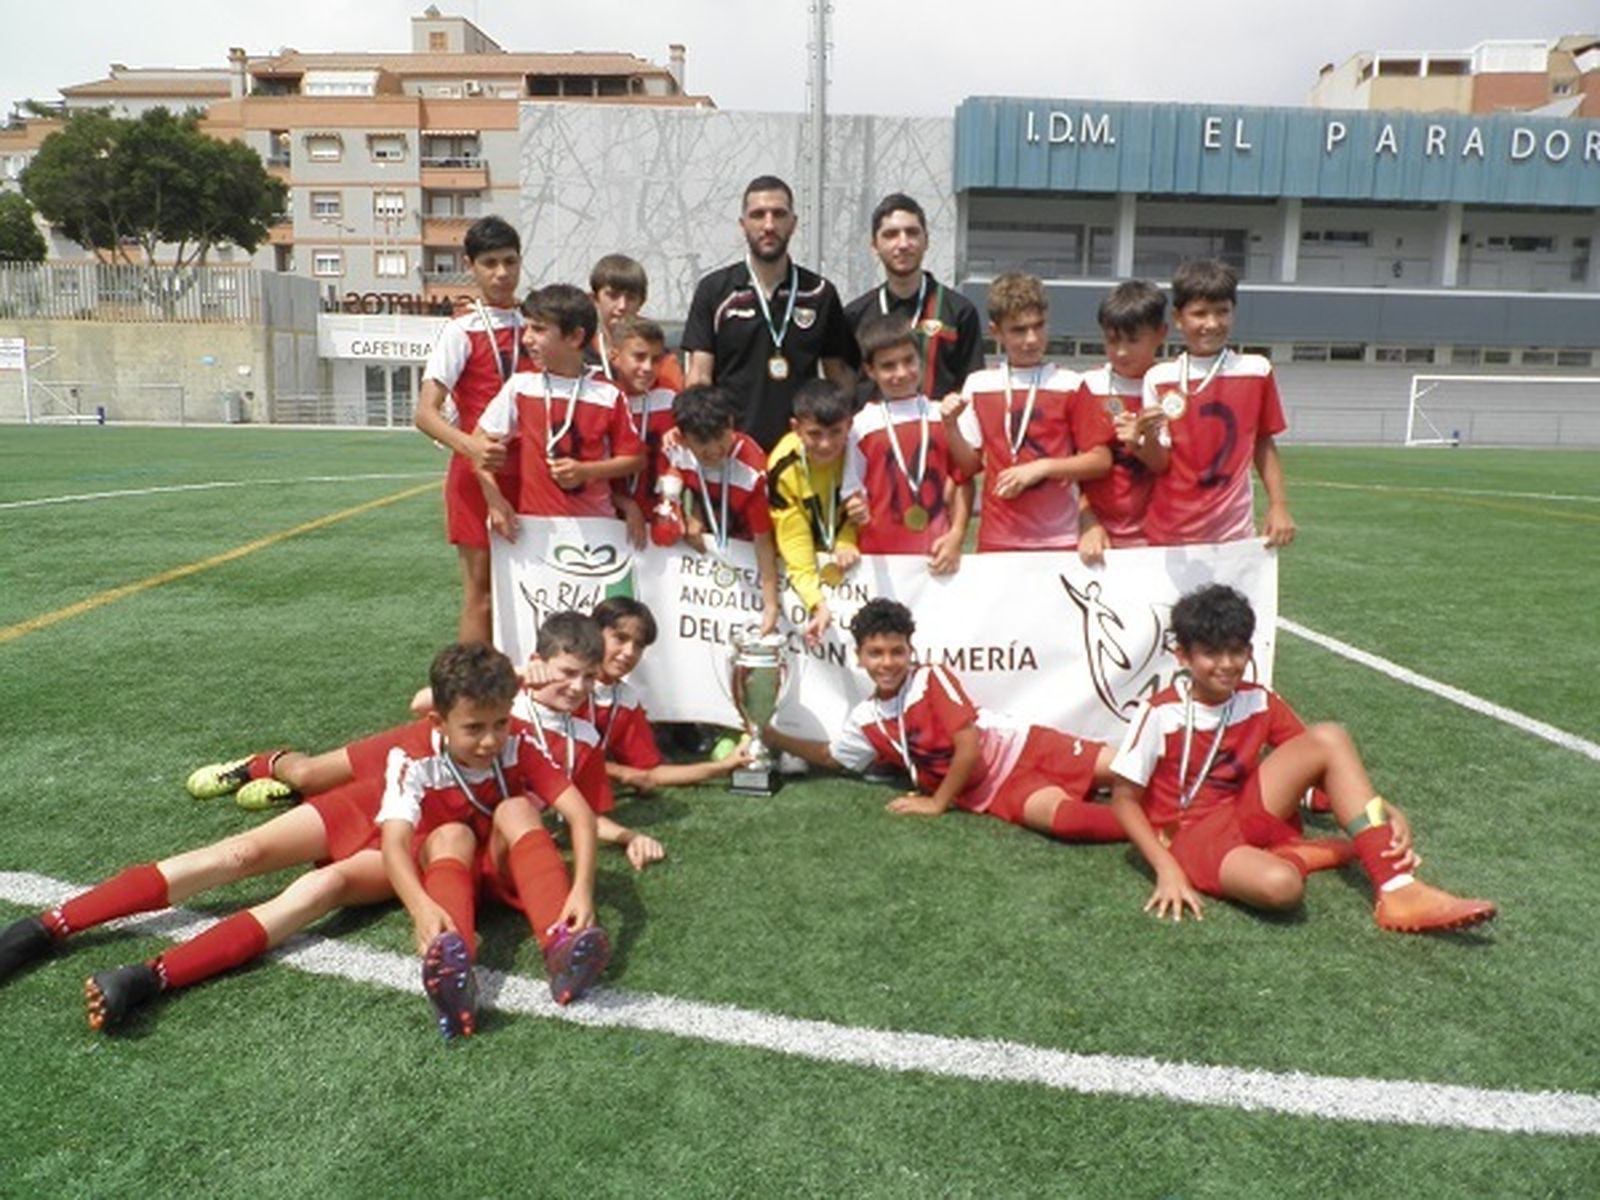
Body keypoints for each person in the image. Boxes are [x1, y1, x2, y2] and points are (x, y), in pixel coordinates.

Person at [0, 644, 535, 1030]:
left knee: (317, 891)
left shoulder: (535, 736)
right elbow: (431, 699)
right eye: (565, 673)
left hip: (418, 841)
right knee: (244, 848)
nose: (573, 683)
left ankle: (148, 978)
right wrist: (517, 673)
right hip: (376, 797)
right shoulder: (441, 725)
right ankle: (44, 928)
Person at [1109, 584, 1497, 932]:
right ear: (1182, 656)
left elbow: (1320, 762)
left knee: (1329, 737)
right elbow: (1124, 801)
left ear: (1249, 651)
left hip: (1244, 814)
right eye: (1211, 653)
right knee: (1282, 888)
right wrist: (1167, 869)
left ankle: (1398, 888)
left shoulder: (1259, 699)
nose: (1226, 664)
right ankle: (1301, 855)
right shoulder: (1159, 712)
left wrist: (1386, 810)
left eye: (1236, 651)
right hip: (1190, 836)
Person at [382, 630, 608, 1038]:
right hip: (449, 869)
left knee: (516, 808)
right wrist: (421, 908)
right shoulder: (410, 756)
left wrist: (582, 890)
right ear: (439, 723)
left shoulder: (518, 740)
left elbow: (580, 814)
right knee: (452, 834)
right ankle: (455, 970)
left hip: (505, 868)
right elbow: (394, 844)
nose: (490, 740)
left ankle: (561, 946)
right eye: (474, 728)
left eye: (500, 723)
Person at [760, 599, 1125, 842]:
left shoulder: (930, 678)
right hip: (994, 790)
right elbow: (830, 756)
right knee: (1065, 822)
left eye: (897, 652)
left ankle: (1156, 800)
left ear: (910, 651)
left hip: (1028, 747)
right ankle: (1153, 829)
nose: (887, 663)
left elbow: (968, 747)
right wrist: (773, 736)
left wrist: (937, 803)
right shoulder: (866, 719)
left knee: (1128, 769)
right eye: (875, 653)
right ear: (859, 656)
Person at [941, 272, 1114, 552]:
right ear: (996, 332)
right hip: (998, 537)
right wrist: (950, 426)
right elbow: (969, 467)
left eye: (1039, 326)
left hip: (1059, 538)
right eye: (1018, 330)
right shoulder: (979, 385)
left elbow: (1100, 460)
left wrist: (1042, 468)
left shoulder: (1070, 383)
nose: (1031, 339)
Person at [681, 175, 856, 451]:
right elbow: (699, 378)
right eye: (758, 215)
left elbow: (839, 380)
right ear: (743, 224)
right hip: (732, 451)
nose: (769, 225)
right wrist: (697, 435)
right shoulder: (714, 290)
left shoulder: (819, 293)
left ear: (793, 223)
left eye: (779, 214)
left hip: (802, 451)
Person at [414, 215, 526, 643]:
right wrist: (472, 448)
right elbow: (425, 414)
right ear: (470, 266)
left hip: (534, 476)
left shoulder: (537, 321)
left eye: (510, 261)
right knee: (482, 596)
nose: (501, 273)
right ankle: (471, 684)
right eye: (489, 263)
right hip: (477, 479)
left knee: (531, 592)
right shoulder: (461, 329)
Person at [1140, 259, 1295, 547]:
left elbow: (1263, 441)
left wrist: (1278, 505)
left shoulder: (1256, 370)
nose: (1211, 324)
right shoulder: (1159, 378)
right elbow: (1159, 463)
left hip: (1232, 531)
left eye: (1222, 311)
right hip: (1170, 530)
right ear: (1178, 318)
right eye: (1199, 313)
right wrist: (1146, 436)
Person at [475, 283, 646, 540]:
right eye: (527, 328)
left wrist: (586, 471)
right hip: (536, 529)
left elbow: (635, 459)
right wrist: (494, 500)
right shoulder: (521, 386)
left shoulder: (607, 393)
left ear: (575, 337)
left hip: (597, 528)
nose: (526, 338)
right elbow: (478, 446)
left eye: (538, 329)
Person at [841, 315, 970, 574]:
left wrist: (956, 534)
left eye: (908, 361)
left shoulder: (943, 416)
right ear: (870, 370)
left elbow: (963, 480)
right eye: (888, 366)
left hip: (938, 553)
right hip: (879, 559)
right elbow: (851, 489)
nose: (901, 373)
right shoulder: (861, 426)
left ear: (920, 359)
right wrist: (854, 507)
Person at [585, 597, 754, 792]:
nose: (629, 652)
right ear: (594, 634)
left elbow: (651, 772)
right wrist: (620, 772)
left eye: (639, 645)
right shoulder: (566, 686)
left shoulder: (624, 700)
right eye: (620, 638)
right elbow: (561, 758)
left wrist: (723, 766)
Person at [653, 384, 781, 635]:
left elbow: (763, 541)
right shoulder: (674, 450)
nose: (713, 449)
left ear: (731, 424)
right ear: (683, 437)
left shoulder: (752, 470)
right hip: (704, 566)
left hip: (745, 557)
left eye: (720, 437)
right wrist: (690, 516)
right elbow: (670, 496)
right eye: (702, 442)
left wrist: (771, 605)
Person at [843, 193, 984, 402]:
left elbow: (972, 387)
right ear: (874, 245)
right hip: (873, 423)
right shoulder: (854, 316)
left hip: (937, 423)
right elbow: (846, 388)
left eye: (912, 233)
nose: (903, 244)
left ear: (926, 241)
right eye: (891, 234)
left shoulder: (959, 312)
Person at [1076, 280, 1171, 564]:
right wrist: (1087, 520)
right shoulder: (1087, 386)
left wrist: (1143, 440)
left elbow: (1174, 466)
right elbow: (1070, 466)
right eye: (1112, 340)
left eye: (1133, 340)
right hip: (1098, 539)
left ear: (1161, 334)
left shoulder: (1173, 387)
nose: (1121, 352)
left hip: (1163, 539)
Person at [766, 379, 860, 641]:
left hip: (861, 558)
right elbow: (794, 540)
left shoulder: (862, 449)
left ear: (849, 425)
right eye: (815, 434)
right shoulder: (782, 467)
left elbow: (873, 506)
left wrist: (847, 539)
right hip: (809, 563)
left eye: (836, 432)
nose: (826, 444)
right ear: (796, 428)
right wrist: (816, 602)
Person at [609, 315, 679, 550]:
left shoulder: (670, 402)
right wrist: (625, 503)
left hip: (659, 520)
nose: (648, 368)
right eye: (639, 357)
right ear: (615, 356)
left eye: (656, 359)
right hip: (605, 520)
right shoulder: (601, 400)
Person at [586, 253, 686, 392]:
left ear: (641, 302)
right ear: (594, 299)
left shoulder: (660, 358)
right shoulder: (581, 355)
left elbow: (674, 398)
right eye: (613, 296)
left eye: (631, 298)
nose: (622, 306)